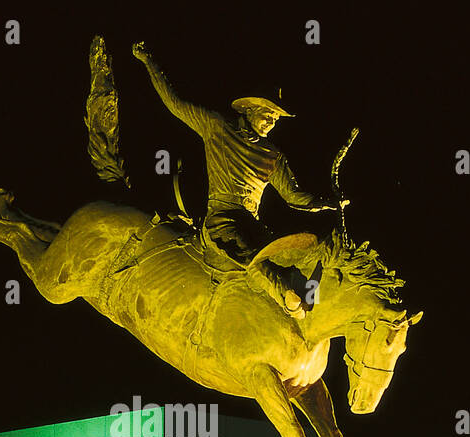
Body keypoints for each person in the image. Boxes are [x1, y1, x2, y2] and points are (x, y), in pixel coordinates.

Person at [133, 42, 341, 315]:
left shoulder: (273, 154)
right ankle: (286, 297)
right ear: (249, 111)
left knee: (287, 248)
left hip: (252, 222)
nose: (272, 122)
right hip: (223, 220)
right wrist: (149, 62)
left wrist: (326, 203)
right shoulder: (218, 126)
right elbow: (176, 103)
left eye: (276, 118)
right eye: (268, 115)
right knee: (250, 253)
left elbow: (293, 196)